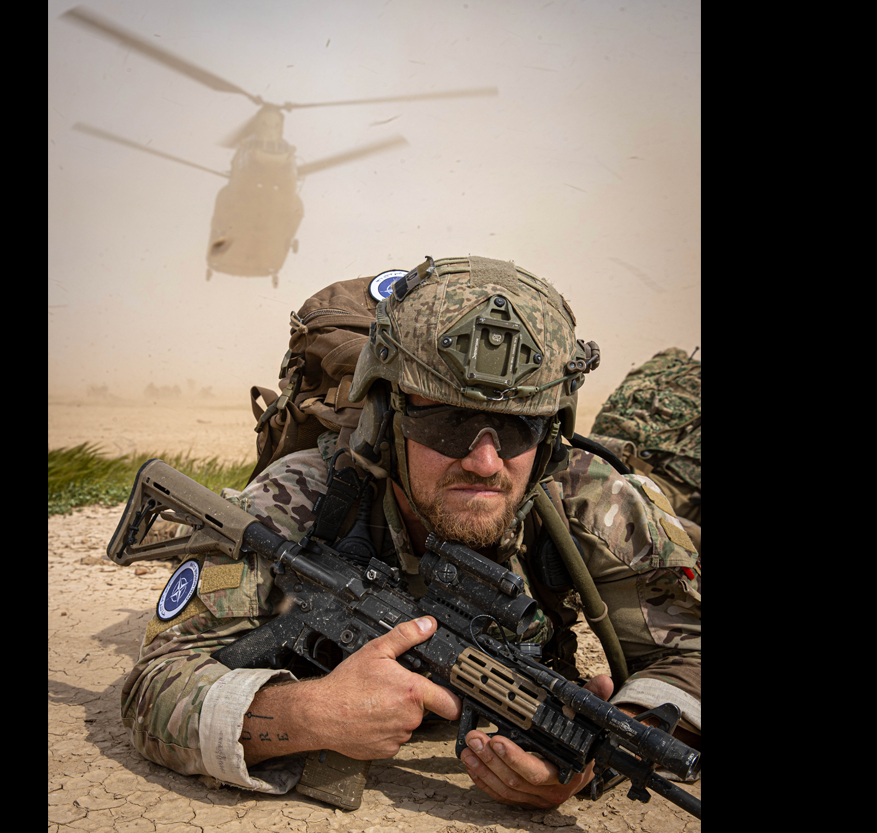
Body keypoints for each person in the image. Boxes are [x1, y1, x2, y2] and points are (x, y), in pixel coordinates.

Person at [119, 256, 700, 811]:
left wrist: (609, 749)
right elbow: (154, 686)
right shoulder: (298, 500)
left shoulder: (591, 503)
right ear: (383, 421)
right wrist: (306, 714)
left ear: (550, 437)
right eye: (449, 422)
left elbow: (692, 647)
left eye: (520, 427)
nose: (485, 462)